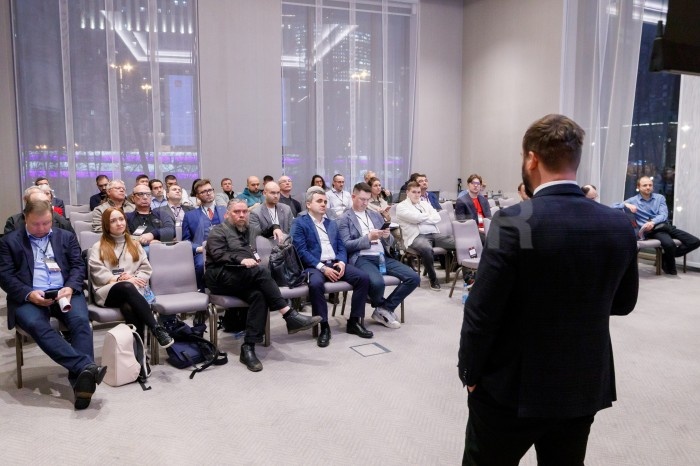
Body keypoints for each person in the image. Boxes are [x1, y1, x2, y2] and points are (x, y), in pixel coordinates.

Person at [458, 114, 639, 464]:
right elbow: (623, 303)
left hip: (513, 385)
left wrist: (470, 371)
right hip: (583, 380)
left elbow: (482, 311)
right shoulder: (618, 223)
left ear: (531, 159)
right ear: (576, 159)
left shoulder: (515, 221)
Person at [0, 200, 107, 410]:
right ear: (25, 219)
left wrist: (70, 287)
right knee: (37, 325)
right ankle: (86, 366)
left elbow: (78, 266)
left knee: (80, 322)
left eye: (46, 223)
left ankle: (81, 386)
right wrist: (29, 294)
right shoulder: (9, 241)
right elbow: (5, 276)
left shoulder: (65, 236)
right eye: (35, 224)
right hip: (29, 295)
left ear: (52, 219)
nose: (41, 228)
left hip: (64, 292)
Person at [205, 199, 321, 371]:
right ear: (227, 214)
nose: (242, 215)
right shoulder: (218, 231)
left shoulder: (249, 229)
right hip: (220, 276)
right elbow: (217, 254)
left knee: (259, 296)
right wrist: (240, 259)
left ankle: (248, 347)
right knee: (261, 271)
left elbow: (265, 230)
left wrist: (275, 227)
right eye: (237, 212)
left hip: (242, 277)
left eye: (244, 211)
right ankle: (289, 315)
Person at [292, 186, 373, 347]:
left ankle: (354, 321)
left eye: (325, 201)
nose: (323, 204)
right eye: (319, 201)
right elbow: (301, 251)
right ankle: (324, 326)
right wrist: (322, 268)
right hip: (314, 266)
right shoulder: (300, 223)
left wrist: (342, 262)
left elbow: (341, 246)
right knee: (315, 284)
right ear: (308, 204)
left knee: (363, 278)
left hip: (335, 262)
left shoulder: (331, 223)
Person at [88, 208, 173, 348]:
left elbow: (145, 268)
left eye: (121, 219)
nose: (119, 223)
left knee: (129, 307)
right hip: (108, 291)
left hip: (134, 291)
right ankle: (156, 328)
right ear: (106, 225)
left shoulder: (135, 244)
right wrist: (122, 279)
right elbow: (98, 272)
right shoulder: (98, 247)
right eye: (113, 221)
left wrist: (134, 278)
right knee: (127, 286)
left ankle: (139, 353)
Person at [338, 183, 419, 329]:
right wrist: (368, 238)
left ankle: (384, 309)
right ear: (353, 197)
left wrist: (387, 236)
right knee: (377, 283)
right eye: (362, 199)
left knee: (413, 278)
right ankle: (383, 308)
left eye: (367, 200)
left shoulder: (374, 215)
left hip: (381, 256)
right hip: (362, 257)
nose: (365, 203)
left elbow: (390, 241)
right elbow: (346, 245)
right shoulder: (345, 218)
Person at [614, 176, 700, 275]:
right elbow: (613, 206)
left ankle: (664, 257)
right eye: (645, 185)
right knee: (669, 244)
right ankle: (670, 267)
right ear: (638, 187)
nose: (648, 187)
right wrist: (626, 205)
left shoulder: (660, 198)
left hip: (664, 226)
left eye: (650, 185)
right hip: (652, 231)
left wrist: (652, 222)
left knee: (695, 241)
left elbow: (663, 215)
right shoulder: (633, 200)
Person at [396, 181, 455, 290]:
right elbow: (415, 218)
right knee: (427, 249)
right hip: (416, 237)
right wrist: (427, 217)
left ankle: (469, 275)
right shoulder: (401, 206)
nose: (417, 195)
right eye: (414, 192)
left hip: (433, 234)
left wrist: (421, 218)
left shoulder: (425, 204)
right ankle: (433, 279)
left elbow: (437, 217)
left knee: (458, 243)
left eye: (418, 192)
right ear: (407, 192)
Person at [182, 179, 226, 290]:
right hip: (202, 252)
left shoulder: (225, 211)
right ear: (197, 196)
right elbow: (186, 241)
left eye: (210, 190)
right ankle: (201, 293)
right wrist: (198, 249)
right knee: (201, 265)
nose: (208, 193)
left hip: (225, 249)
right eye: (204, 192)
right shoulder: (189, 216)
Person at [5, 187, 74, 235]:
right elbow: (9, 245)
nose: (40, 206)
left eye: (44, 203)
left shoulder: (61, 221)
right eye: (36, 203)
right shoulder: (14, 221)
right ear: (27, 202)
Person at [455, 173, 492, 241]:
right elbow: (462, 223)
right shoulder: (461, 201)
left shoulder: (484, 200)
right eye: (473, 183)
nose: (475, 185)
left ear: (480, 186)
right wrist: (481, 230)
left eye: (478, 184)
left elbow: (489, 218)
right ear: (468, 184)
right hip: (473, 231)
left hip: (486, 229)